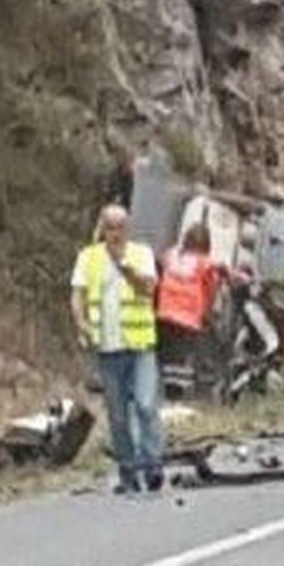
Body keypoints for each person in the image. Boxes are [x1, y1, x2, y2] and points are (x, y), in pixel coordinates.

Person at [70, 204, 166, 494]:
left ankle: (152, 463)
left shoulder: (141, 254)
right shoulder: (88, 258)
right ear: (102, 228)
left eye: (120, 227)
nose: (115, 233)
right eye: (109, 227)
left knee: (146, 404)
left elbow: (149, 288)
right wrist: (82, 324)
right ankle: (128, 469)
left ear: (128, 228)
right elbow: (77, 295)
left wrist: (125, 268)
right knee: (118, 415)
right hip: (108, 348)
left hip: (139, 345)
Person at [156, 223, 229, 401]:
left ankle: (160, 393)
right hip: (187, 317)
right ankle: (174, 398)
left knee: (166, 356)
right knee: (181, 360)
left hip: (165, 312)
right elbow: (211, 286)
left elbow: (160, 265)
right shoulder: (204, 262)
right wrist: (208, 312)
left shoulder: (171, 255)